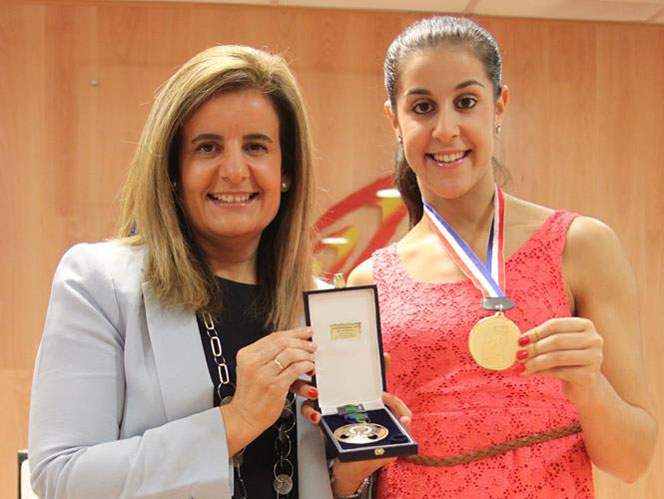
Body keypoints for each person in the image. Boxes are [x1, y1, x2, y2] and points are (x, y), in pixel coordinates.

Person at [28, 45, 409, 499]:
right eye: (207, 147)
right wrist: (236, 421)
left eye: (256, 147)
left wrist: (350, 475)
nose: (234, 170)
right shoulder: (100, 283)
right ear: (173, 168)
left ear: (286, 170)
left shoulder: (321, 306)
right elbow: (61, 479)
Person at [348, 16, 657, 498]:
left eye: (466, 102)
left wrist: (588, 388)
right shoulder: (369, 281)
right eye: (423, 107)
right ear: (394, 120)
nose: (446, 129)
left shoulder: (580, 245)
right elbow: (347, 472)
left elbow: (634, 460)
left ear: (500, 105)